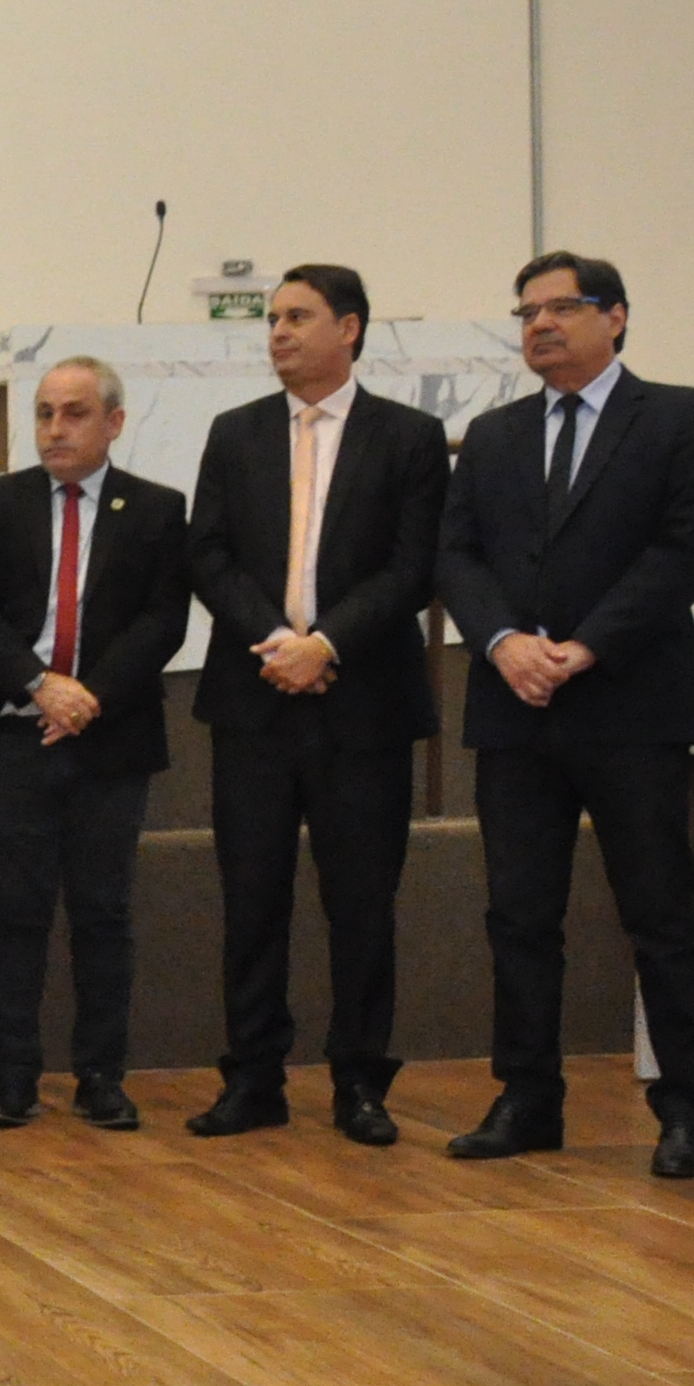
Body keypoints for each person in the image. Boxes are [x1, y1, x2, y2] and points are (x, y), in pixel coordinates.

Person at [436, 254, 694, 1179]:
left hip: (630, 702)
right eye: (527, 312)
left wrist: (586, 645)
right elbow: (457, 555)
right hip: (515, 706)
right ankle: (528, 1098)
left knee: (659, 912)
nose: (541, 325)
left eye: (562, 307)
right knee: (520, 915)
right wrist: (503, 644)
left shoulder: (682, 417)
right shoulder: (493, 434)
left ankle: (683, 1109)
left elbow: (686, 550)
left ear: (618, 318)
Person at [185, 263, 448, 1144]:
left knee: (362, 904)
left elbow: (413, 567)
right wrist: (278, 644)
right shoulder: (234, 433)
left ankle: (360, 1083)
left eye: (298, 317)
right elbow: (209, 556)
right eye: (272, 319)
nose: (279, 333)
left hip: (361, 701)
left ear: (352, 328)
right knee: (251, 899)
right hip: (255, 699)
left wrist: (326, 644)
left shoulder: (409, 438)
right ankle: (252, 1078)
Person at [0, 359, 191, 1129]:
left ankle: (100, 1077)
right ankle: (12, 1078)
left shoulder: (154, 508)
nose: (55, 429)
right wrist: (39, 684)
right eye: (46, 413)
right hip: (17, 736)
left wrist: (89, 697)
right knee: (17, 912)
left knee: (103, 912)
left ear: (114, 422)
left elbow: (164, 620)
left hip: (109, 740)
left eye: (75, 413)